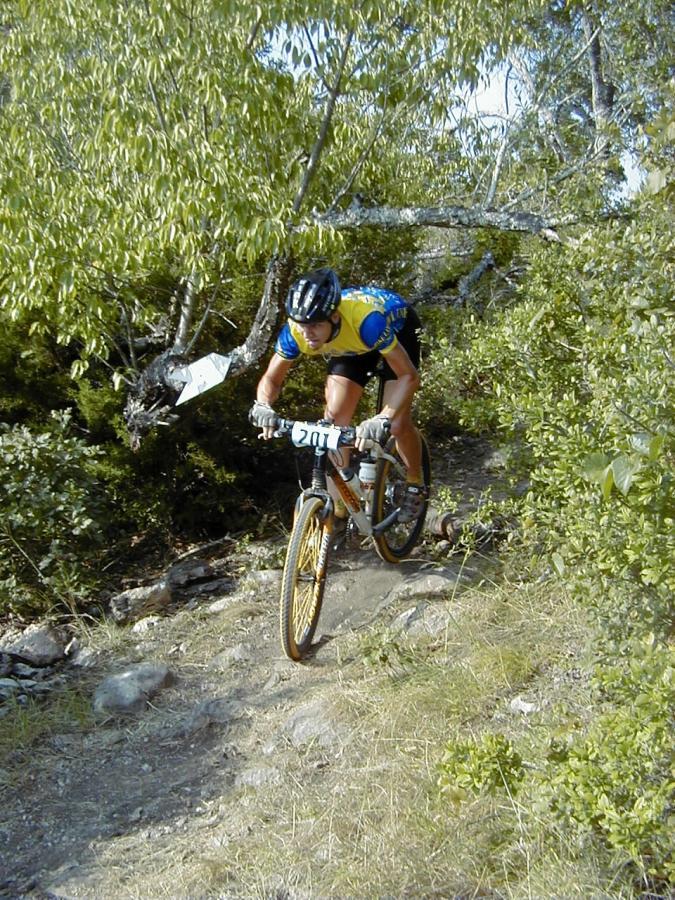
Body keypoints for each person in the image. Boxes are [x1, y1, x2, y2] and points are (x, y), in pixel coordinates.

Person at [249, 267, 426, 522]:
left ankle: (414, 483)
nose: (307, 333)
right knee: (332, 425)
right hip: (350, 346)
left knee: (397, 424)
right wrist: (263, 405)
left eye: (315, 325)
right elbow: (271, 379)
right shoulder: (297, 330)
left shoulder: (367, 321)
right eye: (302, 325)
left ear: (333, 316)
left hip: (393, 332)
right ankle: (340, 506)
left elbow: (409, 377)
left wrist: (382, 418)